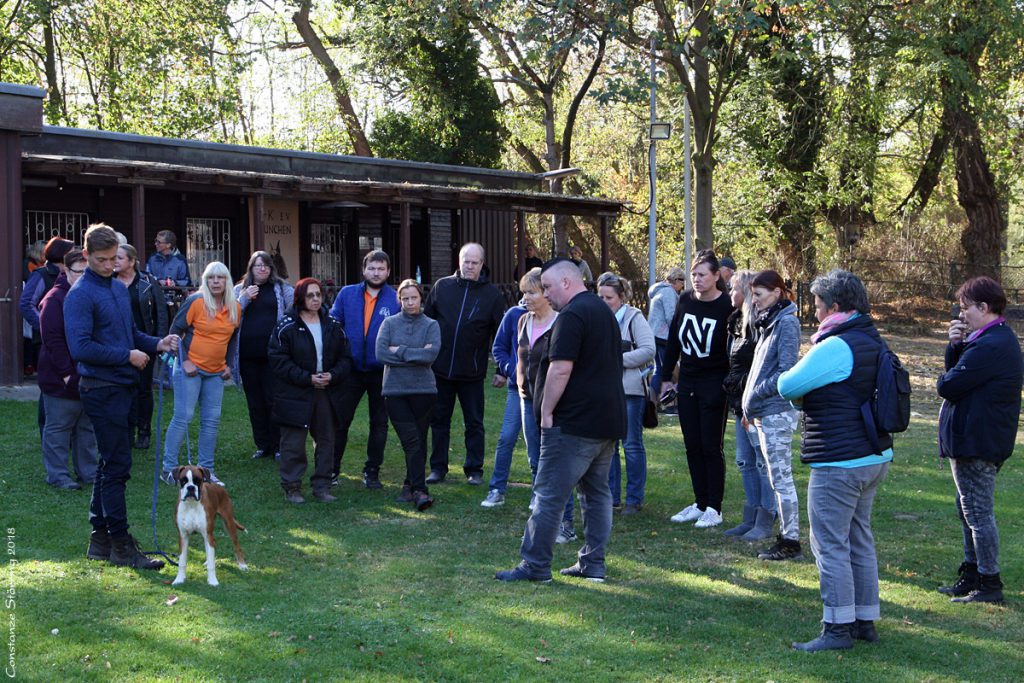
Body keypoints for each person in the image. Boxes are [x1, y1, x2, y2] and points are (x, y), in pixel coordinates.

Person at [778, 269, 893, 652]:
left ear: (836, 306)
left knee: (830, 543)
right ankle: (864, 620)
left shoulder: (835, 345)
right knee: (859, 537)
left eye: (818, 303)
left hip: (841, 460)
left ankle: (837, 627)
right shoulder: (872, 339)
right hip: (873, 454)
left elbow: (787, 385)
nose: (815, 310)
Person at [496, 259, 626, 582]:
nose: (546, 294)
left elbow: (560, 368)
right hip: (606, 421)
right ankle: (593, 563)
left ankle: (535, 564)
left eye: (549, 287)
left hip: (574, 424)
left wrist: (546, 412)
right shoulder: (603, 312)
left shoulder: (571, 316)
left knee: (549, 493)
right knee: (597, 494)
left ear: (567, 282)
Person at [65, 224, 179, 569]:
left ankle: (99, 540)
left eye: (114, 258)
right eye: (101, 259)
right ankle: (120, 545)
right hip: (101, 389)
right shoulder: (80, 295)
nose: (108, 264)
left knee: (109, 465)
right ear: (86, 256)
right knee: (117, 468)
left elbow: (130, 333)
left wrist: (156, 344)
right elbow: (80, 348)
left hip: (122, 386)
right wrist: (126, 356)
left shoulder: (116, 287)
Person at [936, 276, 1022, 604]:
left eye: (965, 309)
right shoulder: (988, 341)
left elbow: (948, 386)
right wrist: (955, 346)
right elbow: (958, 378)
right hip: (977, 439)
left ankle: (989, 583)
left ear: (983, 308)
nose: (961, 316)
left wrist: (957, 353)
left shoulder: (991, 345)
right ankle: (972, 574)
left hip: (978, 442)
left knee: (978, 512)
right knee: (967, 508)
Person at [660, 249, 733, 528]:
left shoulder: (727, 306)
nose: (697, 279)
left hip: (714, 381)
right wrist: (666, 377)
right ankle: (700, 502)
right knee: (692, 444)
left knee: (710, 445)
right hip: (687, 380)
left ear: (716, 276)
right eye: (693, 275)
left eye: (702, 274)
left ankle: (714, 506)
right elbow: (674, 341)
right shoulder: (685, 299)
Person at [424, 242, 506, 485]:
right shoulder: (442, 287)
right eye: (465, 261)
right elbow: (427, 322)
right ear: (458, 261)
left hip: (471, 372)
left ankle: (474, 469)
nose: (469, 266)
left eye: (474, 262)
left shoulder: (492, 295)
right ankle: (438, 468)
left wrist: (502, 370)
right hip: (440, 370)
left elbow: (500, 335)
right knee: (439, 421)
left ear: (482, 264)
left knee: (474, 423)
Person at [268, 278, 352, 503]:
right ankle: (292, 486)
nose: (315, 299)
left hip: (326, 391)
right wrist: (307, 379)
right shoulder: (286, 325)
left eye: (318, 295)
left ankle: (322, 486)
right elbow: (278, 360)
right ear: (300, 298)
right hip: (295, 392)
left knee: (326, 438)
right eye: (310, 295)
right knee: (293, 441)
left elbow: (346, 357)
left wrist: (332, 375)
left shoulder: (333, 324)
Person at [160, 262, 240, 487]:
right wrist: (183, 360)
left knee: (211, 421)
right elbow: (174, 332)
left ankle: (207, 470)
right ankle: (168, 469)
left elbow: (233, 338)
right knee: (183, 417)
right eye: (211, 278)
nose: (216, 282)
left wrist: (229, 365)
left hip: (216, 373)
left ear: (227, 281)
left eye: (220, 278)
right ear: (205, 280)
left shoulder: (234, 307)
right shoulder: (195, 302)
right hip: (190, 370)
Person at [512, 268, 577, 542]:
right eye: (523, 291)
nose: (525, 297)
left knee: (557, 464)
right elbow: (521, 357)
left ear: (546, 294)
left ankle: (566, 524)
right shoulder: (523, 320)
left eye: (531, 292)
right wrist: (518, 384)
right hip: (528, 400)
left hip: (554, 403)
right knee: (535, 461)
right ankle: (543, 520)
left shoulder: (563, 323)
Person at [742, 270, 802, 560]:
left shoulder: (787, 323)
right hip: (763, 412)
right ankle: (787, 536)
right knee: (776, 477)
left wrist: (756, 393)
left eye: (759, 295)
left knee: (781, 478)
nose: (754, 301)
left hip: (777, 412)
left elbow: (785, 371)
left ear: (777, 293)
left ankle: (790, 541)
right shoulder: (770, 322)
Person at [328, 250, 398, 489]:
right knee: (340, 421)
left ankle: (372, 471)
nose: (376, 273)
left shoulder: (396, 298)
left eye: (381, 268)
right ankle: (332, 470)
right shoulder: (347, 294)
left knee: (379, 423)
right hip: (351, 369)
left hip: (383, 371)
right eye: (372, 268)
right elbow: (333, 322)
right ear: (363, 270)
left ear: (388, 271)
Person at [376, 279, 441, 511]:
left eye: (413, 298)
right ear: (399, 300)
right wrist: (415, 355)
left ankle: (409, 486)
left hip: (424, 391)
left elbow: (430, 356)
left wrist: (400, 351)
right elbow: (382, 354)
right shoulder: (389, 323)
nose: (410, 302)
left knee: (419, 440)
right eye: (405, 298)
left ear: (421, 298)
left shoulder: (431, 325)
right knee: (411, 440)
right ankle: (421, 490)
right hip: (395, 391)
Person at [720, 270, 776, 541]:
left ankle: (766, 518)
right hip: (739, 402)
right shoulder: (736, 323)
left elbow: (761, 367)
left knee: (762, 462)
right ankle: (750, 515)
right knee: (745, 461)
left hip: (756, 404)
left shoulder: (761, 326)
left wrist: (747, 396)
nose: (730, 294)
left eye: (733, 289)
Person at [37, 247, 98, 490]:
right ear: (66, 270)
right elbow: (53, 341)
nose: (83, 277)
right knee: (59, 427)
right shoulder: (54, 299)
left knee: (86, 427)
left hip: (88, 374)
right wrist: (66, 374)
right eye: (78, 272)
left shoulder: (89, 295)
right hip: (60, 376)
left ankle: (89, 472)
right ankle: (58, 475)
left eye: (87, 272)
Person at [597, 272, 656, 515]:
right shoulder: (597, 319)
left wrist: (616, 360)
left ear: (621, 297)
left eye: (608, 297)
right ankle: (611, 497)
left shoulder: (634, 318)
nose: (603, 301)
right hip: (603, 391)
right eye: (599, 296)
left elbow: (648, 350)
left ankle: (634, 499)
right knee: (608, 446)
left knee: (631, 444)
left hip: (630, 391)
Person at [232, 251, 294, 461]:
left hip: (272, 356)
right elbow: (230, 315)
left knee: (273, 399)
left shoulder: (281, 288)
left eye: (266, 266)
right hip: (248, 356)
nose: (262, 269)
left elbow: (293, 310)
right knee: (255, 402)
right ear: (251, 268)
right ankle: (262, 445)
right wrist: (245, 298)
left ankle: (278, 446)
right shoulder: (239, 289)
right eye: (258, 265)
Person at [114, 244, 168, 450]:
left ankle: (143, 430)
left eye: (119, 258)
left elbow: (161, 314)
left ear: (131, 261)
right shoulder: (109, 282)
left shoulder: (148, 282)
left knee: (143, 389)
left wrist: (160, 342)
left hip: (145, 342)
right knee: (122, 388)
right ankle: (125, 430)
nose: (115, 261)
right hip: (119, 344)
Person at [21, 237, 75, 434]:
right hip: (47, 340)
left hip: (69, 339)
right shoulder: (41, 275)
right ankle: (48, 431)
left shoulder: (72, 274)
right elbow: (26, 304)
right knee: (50, 386)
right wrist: (45, 325)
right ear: (61, 254)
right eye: (71, 250)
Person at [480, 298, 527, 508]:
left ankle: (540, 493)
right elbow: (499, 347)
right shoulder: (514, 314)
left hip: (544, 389)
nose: (528, 297)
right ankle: (497, 489)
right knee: (507, 437)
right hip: (517, 389)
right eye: (526, 292)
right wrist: (511, 370)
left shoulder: (555, 314)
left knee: (540, 444)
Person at [648, 267, 686, 412]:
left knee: (659, 369)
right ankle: (663, 402)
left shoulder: (659, 290)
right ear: (676, 280)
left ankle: (652, 402)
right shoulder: (669, 292)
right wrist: (678, 334)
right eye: (682, 281)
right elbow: (671, 316)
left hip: (655, 334)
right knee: (665, 370)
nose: (683, 285)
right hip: (663, 336)